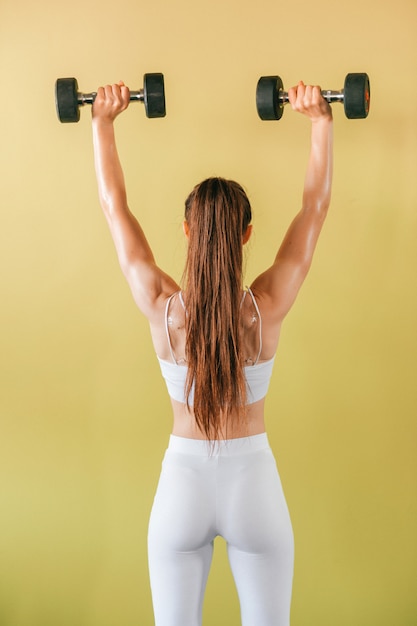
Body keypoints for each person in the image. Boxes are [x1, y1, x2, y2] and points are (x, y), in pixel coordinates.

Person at [91, 80, 333, 626]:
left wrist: (102, 121)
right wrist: (321, 121)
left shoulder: (162, 306)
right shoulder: (265, 307)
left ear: (186, 231)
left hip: (182, 487)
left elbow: (114, 208)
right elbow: (314, 210)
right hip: (255, 488)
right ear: (246, 235)